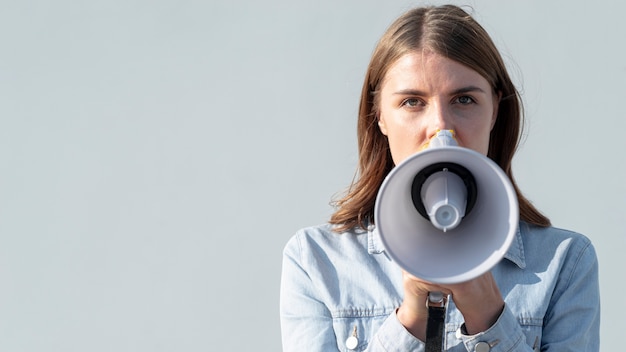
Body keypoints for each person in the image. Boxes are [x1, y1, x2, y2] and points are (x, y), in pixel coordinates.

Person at [279, 4, 600, 351]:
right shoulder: (318, 262)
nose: (441, 127)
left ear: (495, 109)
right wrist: (412, 319)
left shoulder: (565, 263)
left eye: (464, 99)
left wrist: (489, 316)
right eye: (413, 102)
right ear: (380, 116)